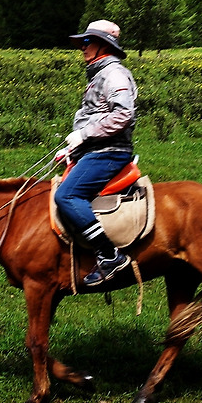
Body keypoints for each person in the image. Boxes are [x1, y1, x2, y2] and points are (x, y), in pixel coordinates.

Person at [53, 19, 137, 290]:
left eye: (87, 42)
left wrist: (84, 136)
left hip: (109, 152)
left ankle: (109, 255)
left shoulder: (114, 74)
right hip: (95, 150)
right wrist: (73, 148)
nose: (83, 48)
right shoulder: (99, 75)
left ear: (103, 45)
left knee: (66, 196)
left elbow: (123, 114)